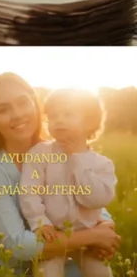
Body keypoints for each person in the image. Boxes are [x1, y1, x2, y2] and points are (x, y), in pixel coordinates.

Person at [0, 73, 121, 276]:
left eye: (23, 103)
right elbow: (18, 245)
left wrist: (105, 225)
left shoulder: (60, 150)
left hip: (62, 256)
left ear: (35, 104)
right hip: (8, 270)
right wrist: (92, 236)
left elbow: (84, 199)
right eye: (3, 110)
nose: (17, 114)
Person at [19, 88, 117, 277]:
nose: (59, 120)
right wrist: (40, 223)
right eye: (53, 116)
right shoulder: (39, 154)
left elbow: (96, 199)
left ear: (89, 121)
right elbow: (29, 192)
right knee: (46, 273)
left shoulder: (102, 164)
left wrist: (76, 159)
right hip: (53, 235)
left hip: (89, 239)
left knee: (101, 273)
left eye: (68, 114)